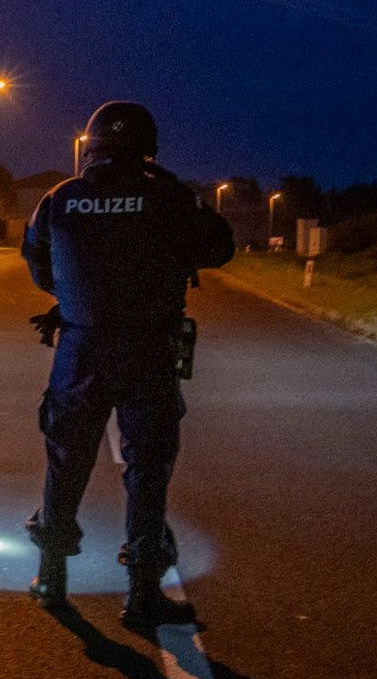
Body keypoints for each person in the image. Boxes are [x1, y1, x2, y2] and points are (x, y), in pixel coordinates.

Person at [21, 101, 236, 631]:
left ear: (90, 146)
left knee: (66, 457)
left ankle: (51, 579)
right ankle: (142, 595)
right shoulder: (168, 197)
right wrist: (173, 190)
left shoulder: (60, 198)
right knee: (147, 467)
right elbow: (220, 248)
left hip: (81, 349)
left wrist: (77, 298)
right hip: (147, 349)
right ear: (149, 149)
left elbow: (38, 265)